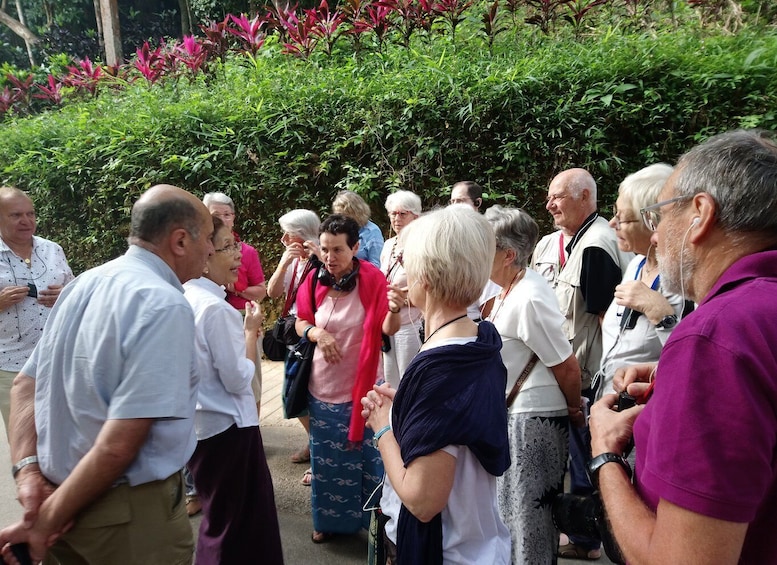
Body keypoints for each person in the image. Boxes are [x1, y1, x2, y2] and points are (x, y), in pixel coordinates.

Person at [589, 129, 777, 564]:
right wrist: (670, 382)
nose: (654, 237)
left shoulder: (717, 335)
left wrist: (605, 454)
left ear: (700, 214)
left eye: (658, 215)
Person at [0, 184, 214, 564]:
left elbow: (24, 385)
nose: (211, 250)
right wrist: (46, 521)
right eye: (209, 238)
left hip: (60, 495)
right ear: (180, 240)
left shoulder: (85, 282)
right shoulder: (163, 304)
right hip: (128, 516)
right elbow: (119, 444)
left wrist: (28, 474)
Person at [361, 206, 511, 564]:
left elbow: (423, 501)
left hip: (446, 552)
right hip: (479, 542)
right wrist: (409, 405)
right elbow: (460, 421)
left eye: (406, 264)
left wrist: (383, 429)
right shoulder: (480, 339)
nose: (401, 276)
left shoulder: (440, 368)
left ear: (425, 275)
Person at [531, 168, 632, 560]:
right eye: (550, 196)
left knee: (584, 457)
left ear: (585, 197)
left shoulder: (596, 245)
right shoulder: (554, 243)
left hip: (583, 374)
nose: (550, 203)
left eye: (558, 196)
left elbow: (605, 320)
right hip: (559, 367)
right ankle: (579, 532)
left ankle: (588, 539)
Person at [485, 205, 583, 565]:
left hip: (535, 420)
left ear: (508, 255)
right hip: (516, 415)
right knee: (512, 514)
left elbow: (567, 366)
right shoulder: (508, 289)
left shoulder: (528, 296)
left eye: (485, 246)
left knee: (530, 521)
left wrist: (574, 411)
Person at [184, 215, 283, 564]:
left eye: (236, 245)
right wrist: (250, 331)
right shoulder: (214, 309)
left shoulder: (186, 297)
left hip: (202, 427)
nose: (239, 255)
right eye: (228, 247)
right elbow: (238, 379)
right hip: (228, 429)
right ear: (205, 253)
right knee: (236, 524)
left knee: (223, 515)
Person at [294, 214, 390, 543]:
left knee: (368, 462)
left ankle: (376, 527)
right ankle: (328, 523)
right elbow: (300, 322)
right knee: (327, 464)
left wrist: (396, 309)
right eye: (324, 250)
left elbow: (386, 329)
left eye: (338, 250)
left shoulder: (374, 280)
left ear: (356, 248)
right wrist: (317, 332)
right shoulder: (313, 280)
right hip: (322, 389)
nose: (330, 258)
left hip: (363, 391)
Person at [596, 164, 689, 398]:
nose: (611, 223)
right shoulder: (637, 264)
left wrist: (659, 311)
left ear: (654, 222)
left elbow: (692, 359)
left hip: (647, 406)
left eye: (623, 218)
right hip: (610, 401)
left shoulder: (684, 278)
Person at [0, 187, 73, 435]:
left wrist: (65, 295)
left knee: (63, 435)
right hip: (11, 364)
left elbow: (75, 292)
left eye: (30, 214)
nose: (26, 221)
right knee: (25, 439)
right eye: (16, 215)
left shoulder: (53, 249)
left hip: (58, 359)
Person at [266, 209, 320, 483]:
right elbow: (272, 292)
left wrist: (319, 257)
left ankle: (320, 454)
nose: (283, 238)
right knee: (292, 396)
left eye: (289, 233)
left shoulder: (323, 257)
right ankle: (314, 442)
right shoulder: (292, 260)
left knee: (313, 395)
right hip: (293, 335)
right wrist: (283, 265)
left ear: (305, 233)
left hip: (316, 335)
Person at [380, 190, 422, 388]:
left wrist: (398, 301)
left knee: (409, 380)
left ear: (416, 217)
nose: (396, 218)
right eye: (392, 214)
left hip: (411, 324)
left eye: (402, 214)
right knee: (390, 381)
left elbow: (428, 291)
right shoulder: (388, 245)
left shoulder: (423, 247)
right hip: (388, 322)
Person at [203, 192, 266, 308]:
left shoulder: (247, 252)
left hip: (241, 313)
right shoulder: (198, 248)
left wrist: (238, 289)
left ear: (233, 217)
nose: (222, 220)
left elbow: (261, 291)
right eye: (216, 215)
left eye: (227, 215)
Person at [448, 182, 500, 321]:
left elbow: (492, 282)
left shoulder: (488, 233)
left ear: (477, 202)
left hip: (477, 318)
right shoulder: (449, 233)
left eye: (460, 201)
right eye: (452, 201)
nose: (455, 206)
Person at [332, 190, 383, 268]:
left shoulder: (372, 231)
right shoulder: (338, 230)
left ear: (356, 213)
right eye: (338, 215)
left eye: (344, 215)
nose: (341, 219)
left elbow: (376, 265)